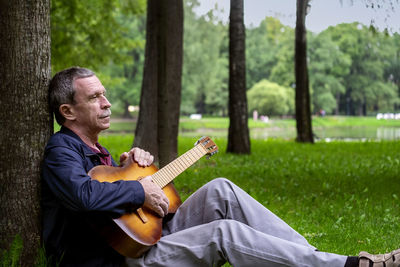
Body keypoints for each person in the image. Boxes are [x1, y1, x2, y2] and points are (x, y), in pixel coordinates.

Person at [42, 67, 400, 267]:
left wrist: (134, 173)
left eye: (104, 93)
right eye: (94, 97)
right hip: (120, 262)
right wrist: (140, 189)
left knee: (222, 189)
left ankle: (313, 261)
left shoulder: (99, 151)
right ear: (68, 112)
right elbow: (84, 196)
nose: (107, 103)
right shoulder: (61, 150)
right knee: (222, 234)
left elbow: (126, 205)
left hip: (145, 242)